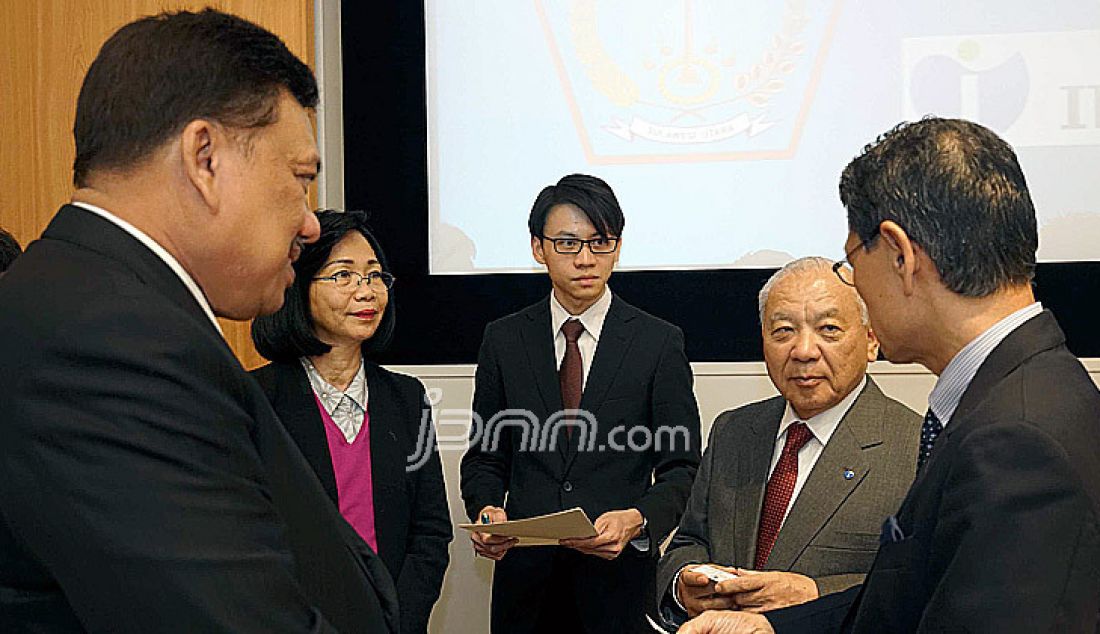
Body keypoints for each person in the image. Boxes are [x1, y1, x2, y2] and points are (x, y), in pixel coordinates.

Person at [0, 10, 398, 632]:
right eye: (300, 180)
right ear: (204, 158)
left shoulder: (108, 305)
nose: (310, 223)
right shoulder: (108, 345)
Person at [679, 118, 1100, 634]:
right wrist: (770, 627)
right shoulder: (1029, 390)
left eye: (852, 259)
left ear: (900, 255)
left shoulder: (1014, 439)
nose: (852, 280)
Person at [460, 173, 703, 633]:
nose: (586, 259)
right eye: (568, 244)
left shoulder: (658, 342)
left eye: (600, 242)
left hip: (619, 588)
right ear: (538, 248)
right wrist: (487, 510)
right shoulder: (504, 339)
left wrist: (639, 519)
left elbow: (682, 467)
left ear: (617, 246)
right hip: (525, 589)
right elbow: (485, 457)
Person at [656, 257, 920, 628]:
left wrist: (813, 594)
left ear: (871, 340)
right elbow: (688, 542)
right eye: (783, 331)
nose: (803, 351)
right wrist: (682, 584)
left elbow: (921, 587)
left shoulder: (916, 446)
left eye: (828, 329)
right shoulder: (733, 430)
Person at [251, 209, 452, 634]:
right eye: (343, 276)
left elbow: (430, 533)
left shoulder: (407, 398)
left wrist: (399, 619)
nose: (367, 292)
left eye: (375, 276)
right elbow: (248, 537)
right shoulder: (256, 400)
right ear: (298, 286)